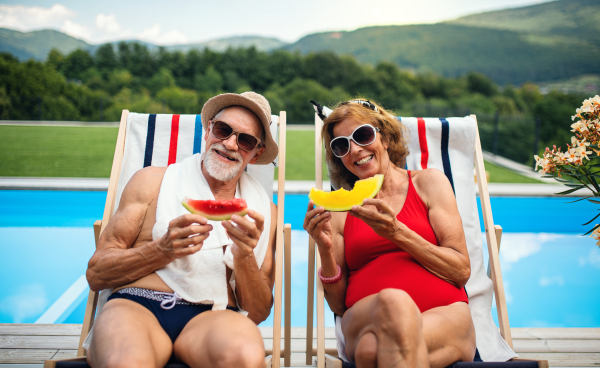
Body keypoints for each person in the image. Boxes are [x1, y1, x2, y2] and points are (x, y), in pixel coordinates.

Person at [86, 92, 278, 368]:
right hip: (138, 305)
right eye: (223, 130)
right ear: (208, 128)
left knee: (244, 358)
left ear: (256, 152)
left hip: (214, 316)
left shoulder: (263, 212)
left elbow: (258, 311)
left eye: (245, 140)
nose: (230, 144)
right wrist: (160, 251)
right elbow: (96, 274)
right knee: (125, 361)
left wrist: (244, 255)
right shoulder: (150, 181)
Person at [304, 99, 476, 368]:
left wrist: (397, 232)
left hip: (445, 315)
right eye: (341, 145)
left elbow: (461, 270)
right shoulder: (338, 210)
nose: (356, 149)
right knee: (393, 302)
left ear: (384, 138)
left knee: (372, 351)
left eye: (362, 135)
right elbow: (338, 304)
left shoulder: (429, 183)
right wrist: (325, 250)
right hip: (364, 318)